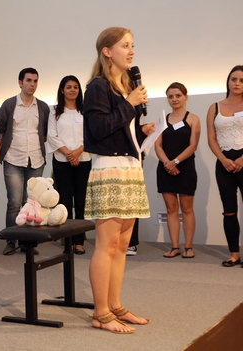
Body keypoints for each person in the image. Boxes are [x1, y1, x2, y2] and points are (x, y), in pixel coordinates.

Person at [83, 27, 154, 334]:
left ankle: (115, 305)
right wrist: (130, 103)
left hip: (129, 167)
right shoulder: (98, 87)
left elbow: (120, 130)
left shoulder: (124, 86)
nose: (132, 51)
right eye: (126, 45)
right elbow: (98, 130)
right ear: (107, 51)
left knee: (122, 245)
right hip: (109, 169)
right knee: (106, 244)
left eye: (133, 45)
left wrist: (143, 131)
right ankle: (100, 313)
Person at [0, 67, 50, 255]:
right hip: (13, 158)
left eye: (35, 81)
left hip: (36, 159)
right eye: (28, 80)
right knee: (14, 202)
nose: (32, 84)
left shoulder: (42, 107)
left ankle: (28, 243)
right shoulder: (9, 105)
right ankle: (11, 241)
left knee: (33, 203)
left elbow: (44, 132)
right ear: (20, 82)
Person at [47, 75, 91, 254]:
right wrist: (68, 153)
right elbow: (51, 135)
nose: (72, 90)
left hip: (84, 159)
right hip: (61, 161)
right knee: (65, 201)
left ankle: (79, 240)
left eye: (75, 87)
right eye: (69, 87)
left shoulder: (86, 111)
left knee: (80, 201)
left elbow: (91, 134)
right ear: (62, 90)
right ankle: (67, 240)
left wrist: (78, 152)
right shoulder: (55, 111)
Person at [155, 82, 200, 259]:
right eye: (170, 96)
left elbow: (193, 145)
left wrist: (175, 162)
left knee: (187, 208)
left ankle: (188, 247)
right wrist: (167, 163)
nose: (174, 99)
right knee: (171, 208)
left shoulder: (193, 119)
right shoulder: (162, 120)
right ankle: (175, 247)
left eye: (178, 95)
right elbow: (157, 145)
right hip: (165, 168)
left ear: (185, 97)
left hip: (186, 167)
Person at [207, 65, 243, 267]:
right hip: (224, 163)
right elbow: (211, 138)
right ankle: (234, 254)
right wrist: (223, 159)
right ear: (228, 81)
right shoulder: (215, 107)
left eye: (241, 80)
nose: (237, 83)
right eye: (234, 79)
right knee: (229, 210)